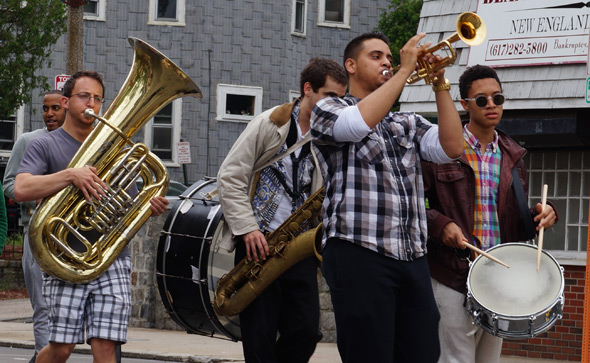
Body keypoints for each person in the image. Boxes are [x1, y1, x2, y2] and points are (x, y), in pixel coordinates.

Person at [310, 32, 464, 363]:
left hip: (411, 256)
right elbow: (357, 124)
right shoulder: (328, 108)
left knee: (422, 353)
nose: (387, 63)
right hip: (359, 250)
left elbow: (453, 147)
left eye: (390, 58)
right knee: (370, 354)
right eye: (376, 57)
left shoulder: (405, 121)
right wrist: (404, 71)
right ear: (351, 66)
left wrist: (440, 84)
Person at [14, 70, 169, 363]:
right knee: (61, 347)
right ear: (66, 101)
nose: (92, 104)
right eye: (84, 96)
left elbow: (125, 206)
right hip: (64, 258)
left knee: (106, 346)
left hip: (110, 259)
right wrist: (71, 175)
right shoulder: (44, 144)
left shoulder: (118, 148)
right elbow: (21, 188)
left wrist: (147, 206)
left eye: (98, 99)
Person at [421, 64, 557, 363]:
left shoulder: (512, 154)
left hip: (496, 274)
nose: (492, 105)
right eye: (482, 100)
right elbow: (415, 205)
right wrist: (440, 223)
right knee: (456, 358)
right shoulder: (441, 148)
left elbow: (518, 222)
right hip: (452, 271)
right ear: (465, 105)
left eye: (498, 98)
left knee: (488, 360)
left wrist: (545, 213)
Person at [217, 57, 347, 363]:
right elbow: (230, 176)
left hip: (297, 249)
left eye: (341, 99)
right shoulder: (267, 124)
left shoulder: (328, 138)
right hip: (258, 246)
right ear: (307, 90)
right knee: (259, 334)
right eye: (330, 96)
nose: (337, 105)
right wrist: (247, 228)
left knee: (306, 332)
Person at [3, 90, 65, 363]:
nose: (49, 113)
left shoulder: (84, 143)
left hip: (71, 237)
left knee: (68, 307)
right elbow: (8, 185)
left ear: (68, 109)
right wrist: (33, 195)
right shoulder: (28, 141)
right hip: (37, 233)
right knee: (42, 305)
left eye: (55, 108)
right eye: (44, 108)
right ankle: (42, 356)